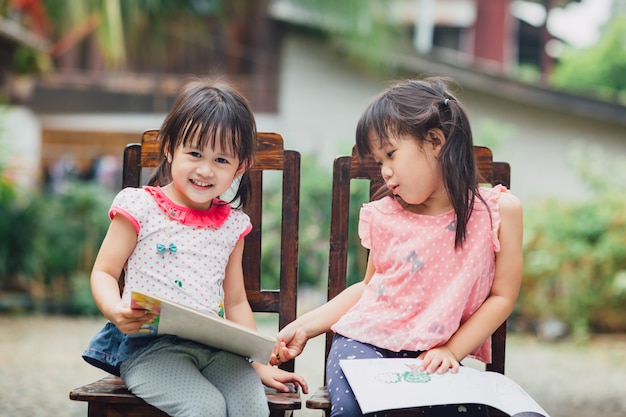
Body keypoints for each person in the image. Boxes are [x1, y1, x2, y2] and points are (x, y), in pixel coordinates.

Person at [271, 77, 523, 417]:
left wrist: (452, 349)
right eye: (379, 162)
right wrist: (306, 326)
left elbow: (502, 296)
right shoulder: (386, 215)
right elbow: (367, 288)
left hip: (435, 354)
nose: (385, 172)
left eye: (391, 154)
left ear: (435, 141)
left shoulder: (497, 212)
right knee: (354, 408)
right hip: (365, 344)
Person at [82, 78, 307, 417]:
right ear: (170, 148)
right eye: (195, 153)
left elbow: (235, 300)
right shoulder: (140, 207)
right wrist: (115, 310)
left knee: (253, 409)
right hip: (149, 350)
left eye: (221, 160)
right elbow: (104, 271)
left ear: (240, 167)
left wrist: (259, 364)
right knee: (204, 408)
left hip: (219, 350)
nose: (205, 169)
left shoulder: (232, 225)